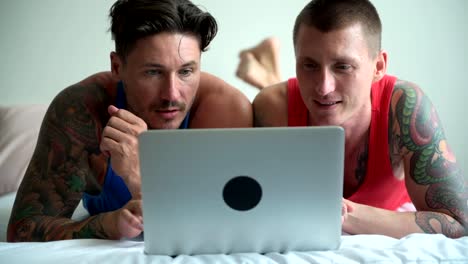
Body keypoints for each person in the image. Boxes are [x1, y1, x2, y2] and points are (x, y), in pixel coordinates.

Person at [7, 0, 252, 242]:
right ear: (117, 67)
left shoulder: (224, 107)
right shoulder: (82, 109)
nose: (172, 94)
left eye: (186, 72)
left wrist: (139, 177)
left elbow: (220, 228)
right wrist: (107, 224)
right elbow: (23, 229)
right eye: (153, 72)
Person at [250, 0, 468, 238]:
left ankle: (267, 68)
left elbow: (459, 222)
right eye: (309, 65)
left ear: (379, 66)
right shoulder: (272, 106)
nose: (324, 87)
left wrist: (343, 213)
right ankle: (268, 70)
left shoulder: (404, 107)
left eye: (343, 67)